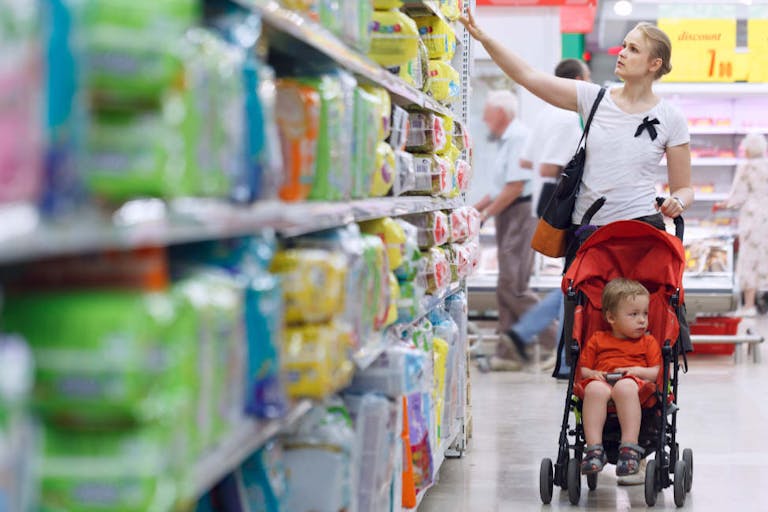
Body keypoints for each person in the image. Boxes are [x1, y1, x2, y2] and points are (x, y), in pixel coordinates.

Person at [460, 12, 693, 482]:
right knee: (590, 331)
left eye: (631, 48)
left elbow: (686, 188)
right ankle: (592, 438)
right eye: (622, 45)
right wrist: (484, 37)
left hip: (645, 238)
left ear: (655, 63)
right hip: (591, 236)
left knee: (642, 332)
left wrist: (675, 201)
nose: (620, 53)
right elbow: (529, 77)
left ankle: (637, 440)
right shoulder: (594, 97)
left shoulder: (671, 117)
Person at [503, 59, 591, 370]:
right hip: (565, 201)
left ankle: (539, 340)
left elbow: (529, 163)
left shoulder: (543, 115)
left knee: (574, 277)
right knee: (578, 278)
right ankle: (564, 359)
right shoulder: (570, 117)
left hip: (545, 199)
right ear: (579, 80)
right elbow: (552, 166)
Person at [472, 90, 536, 371]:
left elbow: (516, 187)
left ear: (500, 112)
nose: (485, 120)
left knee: (514, 284)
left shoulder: (519, 137)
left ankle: (553, 335)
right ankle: (508, 353)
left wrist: (485, 214)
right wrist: (475, 210)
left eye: (487, 113)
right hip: (510, 212)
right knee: (504, 287)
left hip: (521, 212)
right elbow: (500, 187)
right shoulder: (508, 139)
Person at [578, 278, 661, 477]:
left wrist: (636, 371)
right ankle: (594, 449)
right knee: (593, 389)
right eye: (634, 314)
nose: (642, 320)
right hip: (604, 381)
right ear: (611, 317)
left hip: (635, 385)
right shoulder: (598, 339)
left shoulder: (648, 342)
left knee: (624, 387)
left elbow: (656, 372)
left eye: (645, 314)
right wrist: (593, 374)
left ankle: (629, 448)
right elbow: (583, 370)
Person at [719, 132, 768, 316]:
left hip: (753, 217)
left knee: (750, 259)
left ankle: (749, 306)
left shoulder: (746, 167)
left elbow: (738, 196)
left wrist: (725, 204)